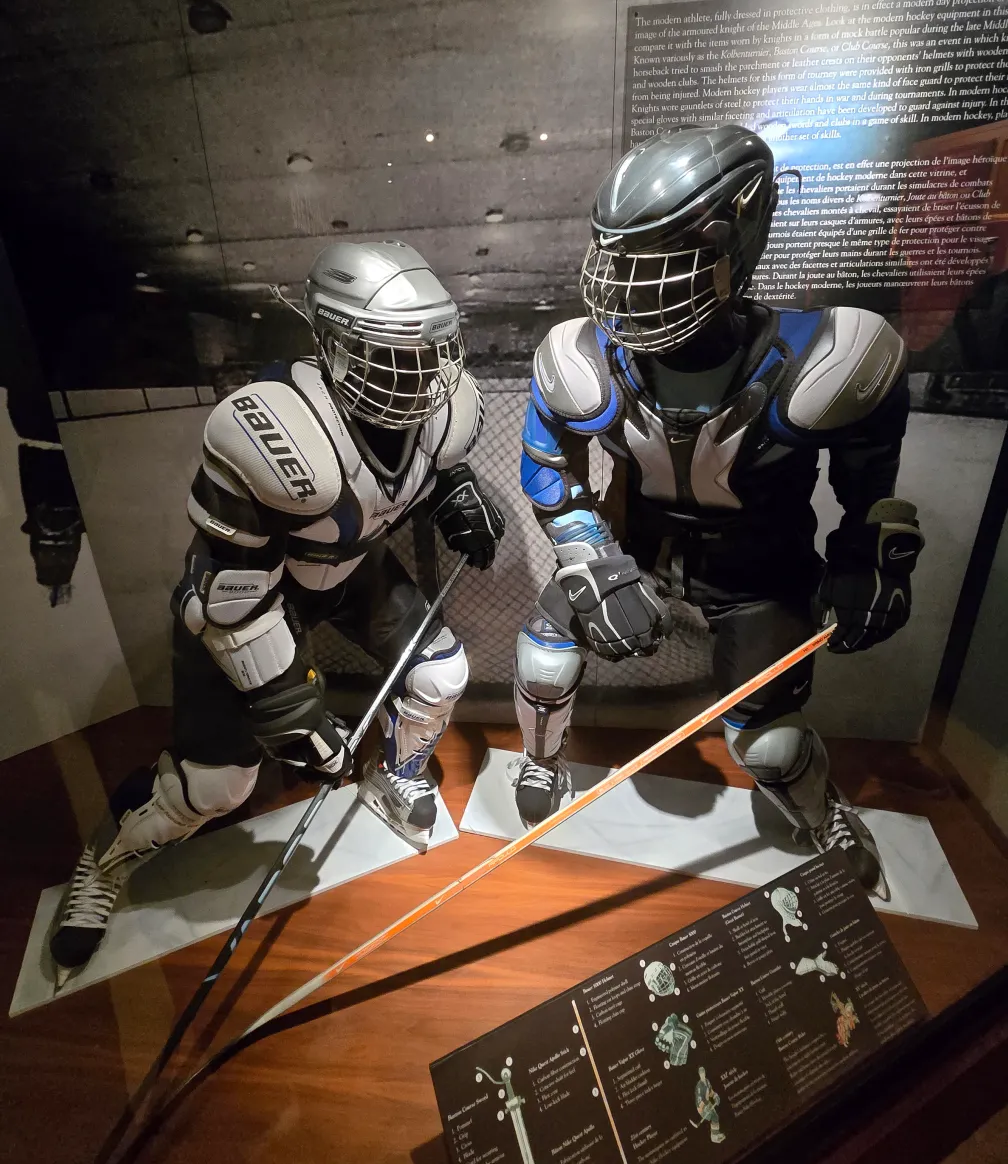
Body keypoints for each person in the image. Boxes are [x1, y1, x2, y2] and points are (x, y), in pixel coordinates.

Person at [50, 241, 504, 980]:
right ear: (331, 344)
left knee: (442, 675)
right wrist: (281, 695)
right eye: (390, 355)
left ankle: (397, 774)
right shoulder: (274, 431)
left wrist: (455, 492)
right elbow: (228, 588)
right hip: (249, 598)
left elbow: (429, 468)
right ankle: (107, 862)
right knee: (216, 788)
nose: (417, 377)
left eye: (426, 351)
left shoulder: (441, 408)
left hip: (353, 572)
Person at [511, 125, 923, 896]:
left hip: (756, 569)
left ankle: (818, 810)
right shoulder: (586, 356)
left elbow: (872, 488)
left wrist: (869, 555)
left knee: (766, 744)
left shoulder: (822, 359)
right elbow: (549, 474)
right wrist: (590, 557)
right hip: (632, 551)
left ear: (733, 246)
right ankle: (540, 758)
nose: (631, 287)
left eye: (658, 262)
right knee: (542, 658)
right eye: (621, 260)